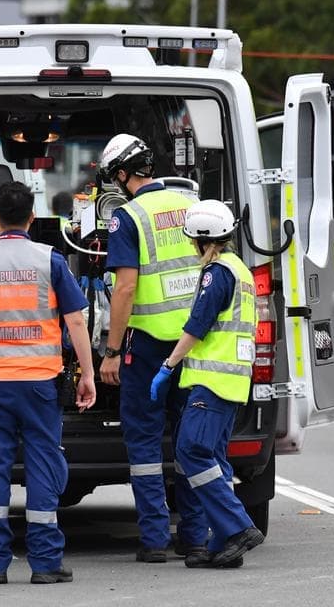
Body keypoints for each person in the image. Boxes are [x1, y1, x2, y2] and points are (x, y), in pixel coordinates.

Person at [0, 180, 97, 585]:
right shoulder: (50, 260)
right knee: (43, 466)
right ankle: (46, 564)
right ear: (32, 218)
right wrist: (87, 373)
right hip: (40, 383)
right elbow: (76, 320)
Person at [95, 133, 203, 563]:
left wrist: (112, 349)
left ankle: (155, 539)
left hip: (148, 348)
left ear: (122, 175)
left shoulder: (128, 217)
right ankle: (194, 536)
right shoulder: (190, 208)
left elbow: (124, 288)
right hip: (193, 344)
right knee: (190, 441)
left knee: (143, 441)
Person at [151, 200, 265, 568]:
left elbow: (197, 326)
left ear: (203, 240)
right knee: (214, 458)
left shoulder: (216, 273)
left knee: (191, 451)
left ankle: (237, 528)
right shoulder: (242, 271)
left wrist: (168, 365)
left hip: (211, 381)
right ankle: (222, 545)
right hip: (232, 381)